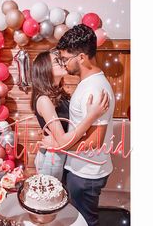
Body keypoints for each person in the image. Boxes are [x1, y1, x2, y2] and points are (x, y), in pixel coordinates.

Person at [43, 24, 115, 226]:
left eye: (66, 59)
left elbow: (96, 140)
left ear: (81, 57)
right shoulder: (87, 83)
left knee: (85, 221)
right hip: (79, 169)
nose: (64, 64)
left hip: (87, 174)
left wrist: (61, 145)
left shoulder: (96, 88)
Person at [31, 49, 109, 182]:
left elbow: (65, 135)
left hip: (60, 153)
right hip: (52, 158)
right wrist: (92, 116)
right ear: (45, 69)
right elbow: (62, 140)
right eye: (56, 61)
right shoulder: (44, 100)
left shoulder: (59, 95)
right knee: (52, 198)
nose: (62, 63)